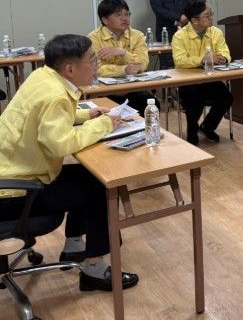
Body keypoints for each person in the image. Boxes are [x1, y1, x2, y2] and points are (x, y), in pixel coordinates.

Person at [0, 34, 139, 291]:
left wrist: (87, 114)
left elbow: (47, 116)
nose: (96, 64)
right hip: (15, 193)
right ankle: (94, 270)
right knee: (103, 187)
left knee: (88, 176)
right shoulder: (56, 96)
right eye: (92, 59)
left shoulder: (43, 77)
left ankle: (74, 248)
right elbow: (61, 144)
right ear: (70, 69)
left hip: (11, 176)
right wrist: (104, 124)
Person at [172, 0, 232, 146]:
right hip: (188, 81)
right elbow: (180, 61)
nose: (211, 17)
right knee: (194, 99)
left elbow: (225, 51)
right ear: (194, 20)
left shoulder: (215, 32)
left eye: (211, 14)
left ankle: (207, 126)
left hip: (209, 79)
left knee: (227, 97)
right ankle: (192, 130)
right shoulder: (180, 36)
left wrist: (223, 58)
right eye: (207, 15)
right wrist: (202, 60)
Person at [88, 0, 159, 116]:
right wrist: (124, 69)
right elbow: (95, 69)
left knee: (151, 104)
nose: (124, 18)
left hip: (132, 88)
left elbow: (143, 63)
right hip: (104, 91)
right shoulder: (94, 38)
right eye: (118, 15)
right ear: (105, 20)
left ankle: (146, 129)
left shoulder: (137, 35)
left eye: (127, 14)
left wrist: (123, 53)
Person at [149, 0, 191, 68]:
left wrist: (186, 17)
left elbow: (189, 5)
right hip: (165, 31)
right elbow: (159, 10)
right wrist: (179, 17)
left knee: (185, 60)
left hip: (184, 29)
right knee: (167, 63)